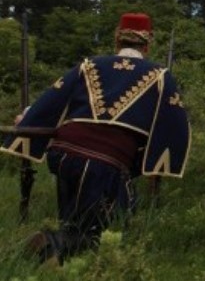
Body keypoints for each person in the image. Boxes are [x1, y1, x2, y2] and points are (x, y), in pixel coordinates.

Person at [1, 13, 191, 265]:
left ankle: (51, 257)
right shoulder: (159, 75)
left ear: (117, 40)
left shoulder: (89, 64)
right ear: (147, 45)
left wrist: (26, 118)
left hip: (62, 154)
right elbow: (175, 124)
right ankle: (51, 242)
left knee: (74, 218)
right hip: (104, 162)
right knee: (108, 228)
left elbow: (53, 98)